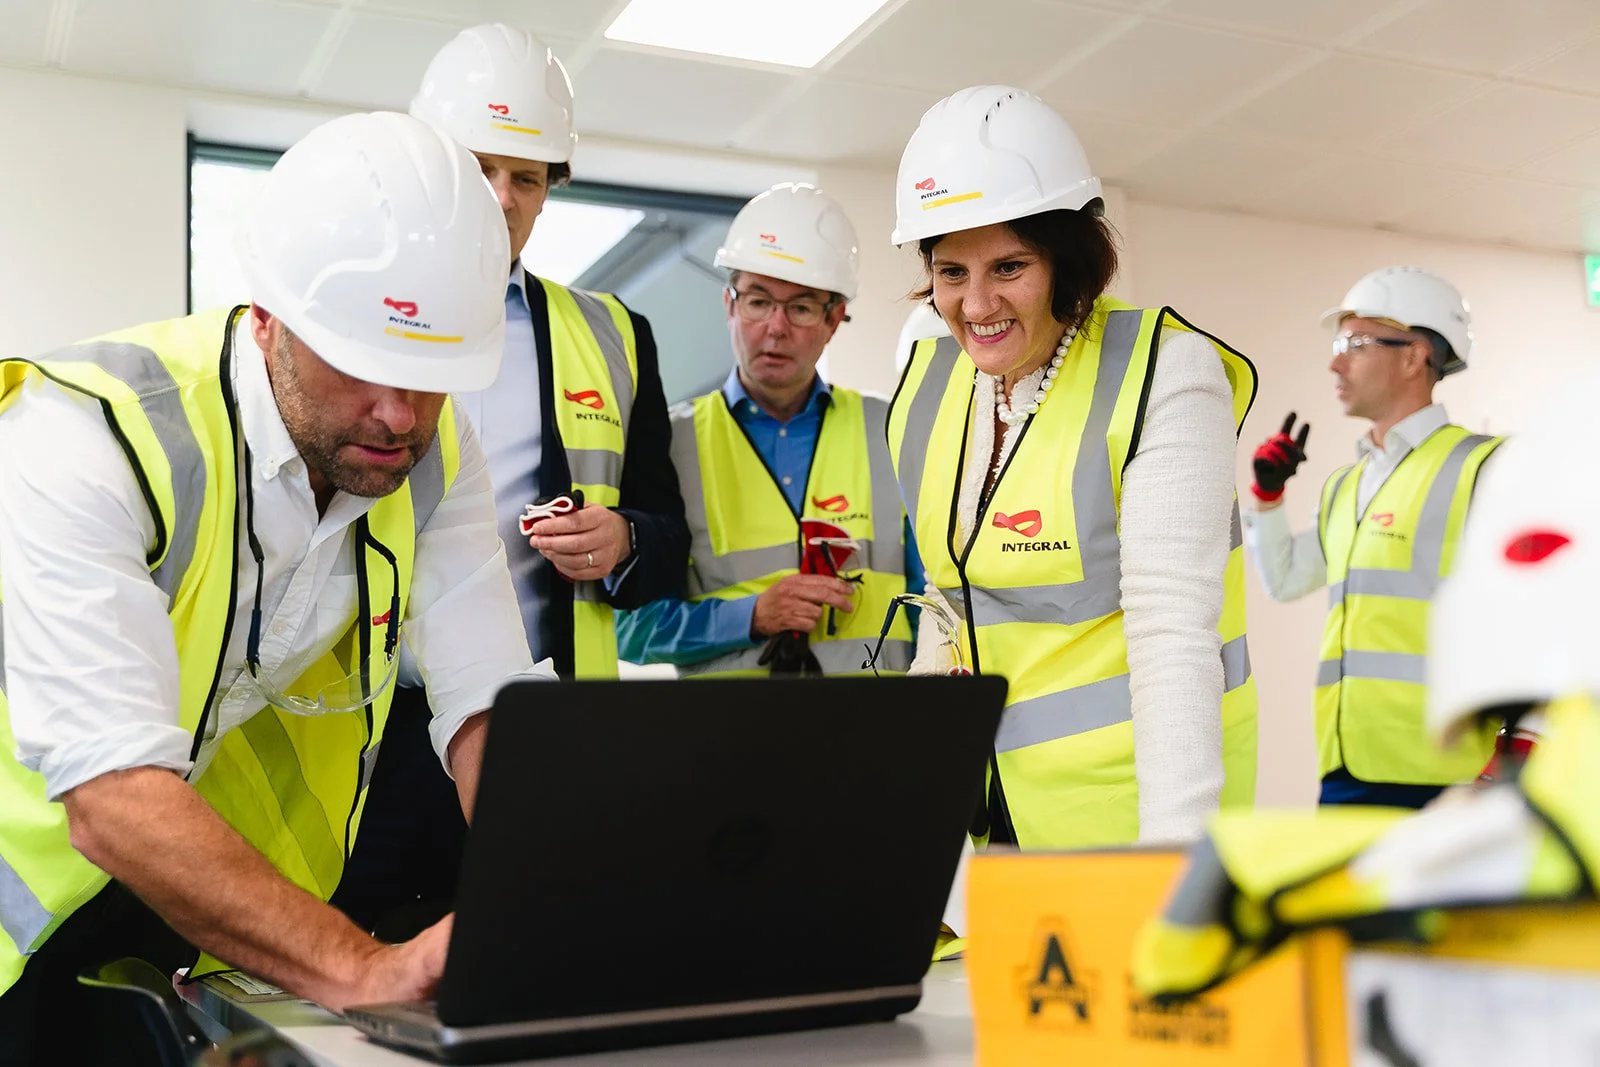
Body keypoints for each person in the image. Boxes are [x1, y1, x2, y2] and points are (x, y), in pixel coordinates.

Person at [0, 111, 549, 1063]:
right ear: (267, 314)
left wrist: (551, 894)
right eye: (365, 367)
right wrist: (363, 968)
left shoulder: (430, 447)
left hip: (182, 910)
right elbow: (113, 789)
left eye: (432, 375)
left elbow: (484, 699)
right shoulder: (82, 436)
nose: (399, 415)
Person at [333, 24, 688, 937]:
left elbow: (667, 539)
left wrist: (627, 539)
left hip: (530, 732)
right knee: (355, 968)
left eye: (525, 176)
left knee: (528, 955)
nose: (501, 197)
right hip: (357, 728)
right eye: (479, 167)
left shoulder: (613, 335)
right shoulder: (343, 308)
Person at [889, 85, 1258, 850]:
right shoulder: (930, 381)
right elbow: (946, 601)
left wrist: (1173, 860)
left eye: (1010, 265)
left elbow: (1172, 633)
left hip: (1124, 819)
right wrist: (915, 810)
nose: (976, 302)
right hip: (983, 814)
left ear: (1070, 260)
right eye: (951, 271)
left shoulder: (1166, 372)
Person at [615, 183, 919, 676]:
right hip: (728, 746)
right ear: (730, 304)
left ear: (834, 319)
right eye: (758, 301)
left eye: (800, 307)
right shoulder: (666, 445)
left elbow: (937, 607)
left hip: (870, 740)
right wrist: (751, 615)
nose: (776, 328)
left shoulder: (891, 430)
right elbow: (626, 630)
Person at [1243, 266, 1503, 808]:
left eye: (1357, 343)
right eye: (1340, 343)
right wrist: (1268, 500)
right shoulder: (1348, 484)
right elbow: (1287, 581)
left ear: (1414, 356)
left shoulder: (1483, 466)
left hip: (1448, 772)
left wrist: (1521, 743)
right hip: (1348, 758)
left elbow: (1541, 608)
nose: (1335, 361)